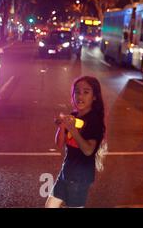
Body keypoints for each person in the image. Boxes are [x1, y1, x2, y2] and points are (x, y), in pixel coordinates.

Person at [45, 76, 106, 208]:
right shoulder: (74, 116)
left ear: (94, 97)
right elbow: (60, 144)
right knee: (50, 206)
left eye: (86, 92)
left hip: (80, 177)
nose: (80, 96)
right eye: (77, 91)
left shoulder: (94, 121)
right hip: (66, 171)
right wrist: (62, 127)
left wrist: (72, 129)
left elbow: (88, 150)